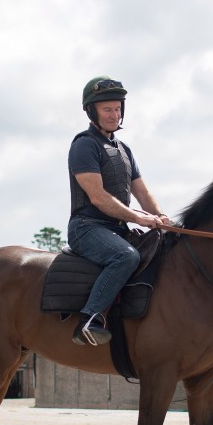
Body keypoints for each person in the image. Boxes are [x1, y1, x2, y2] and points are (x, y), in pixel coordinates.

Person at [67, 76, 169, 346]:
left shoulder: (124, 150)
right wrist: (138, 218)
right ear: (92, 112)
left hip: (116, 228)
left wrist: (161, 217)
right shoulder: (84, 145)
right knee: (126, 257)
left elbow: (143, 193)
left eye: (117, 109)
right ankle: (89, 320)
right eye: (107, 110)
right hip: (87, 227)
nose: (114, 115)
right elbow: (98, 197)